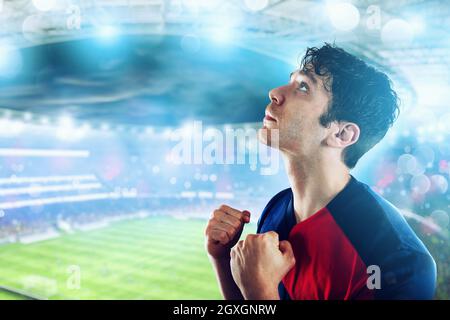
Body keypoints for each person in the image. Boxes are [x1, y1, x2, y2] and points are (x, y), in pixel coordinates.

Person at [204, 43, 437, 300]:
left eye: (303, 87)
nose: (275, 93)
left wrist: (261, 292)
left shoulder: (399, 262)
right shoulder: (277, 207)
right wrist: (222, 259)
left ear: (342, 133)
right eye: (291, 82)